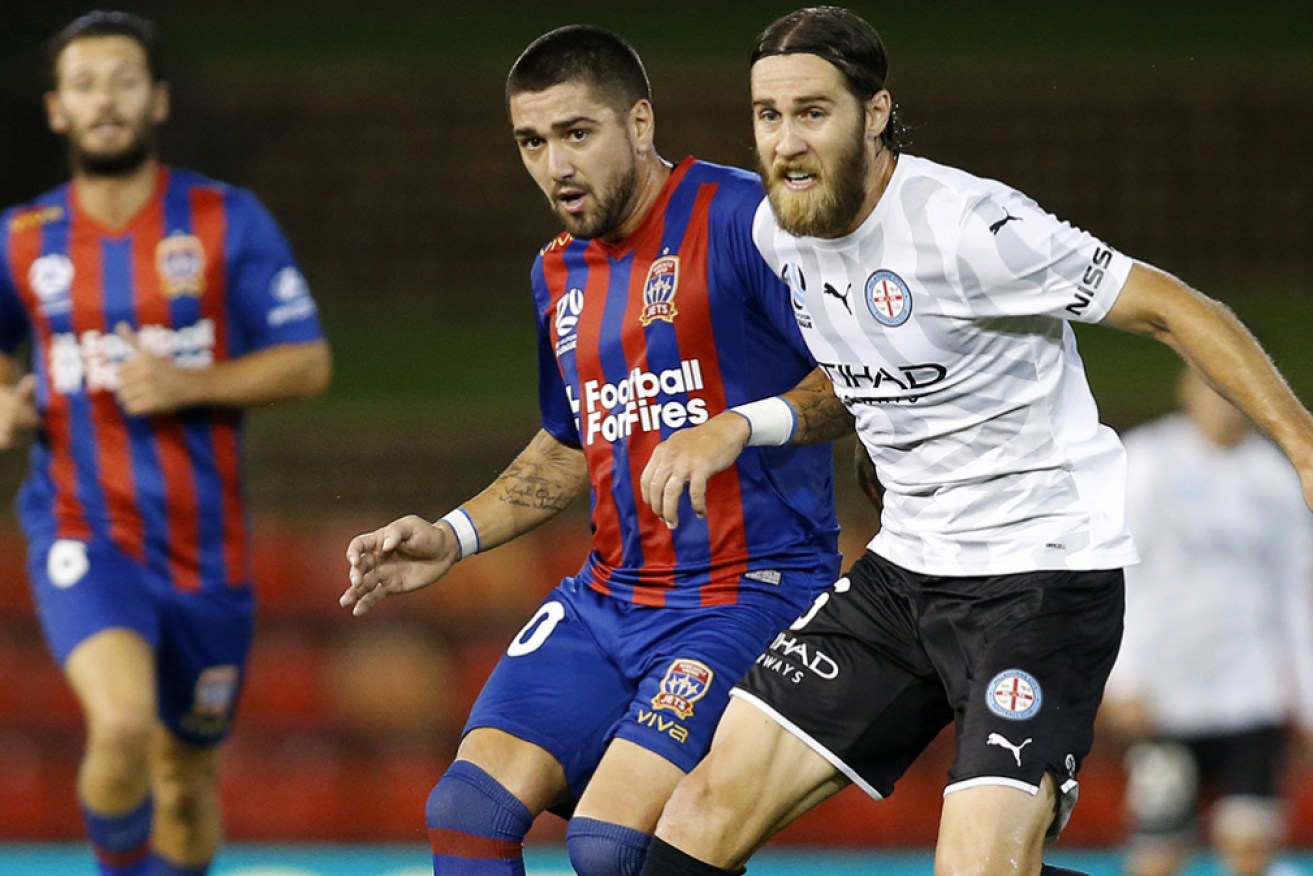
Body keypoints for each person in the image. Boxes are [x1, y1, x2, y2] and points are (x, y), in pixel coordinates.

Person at [634, 7, 1313, 876]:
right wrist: (742, 424)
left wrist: (1298, 443)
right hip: (905, 574)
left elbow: (1177, 310)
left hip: (1038, 582)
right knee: (694, 819)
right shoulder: (783, 232)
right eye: (768, 115)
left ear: (874, 113)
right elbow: (865, 373)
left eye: (812, 112)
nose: (786, 141)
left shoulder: (969, 228)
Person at [339, 24, 845, 876]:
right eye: (531, 143)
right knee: (465, 810)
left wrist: (737, 425)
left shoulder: (742, 219)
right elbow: (579, 437)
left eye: (577, 134)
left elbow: (859, 379)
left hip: (746, 594)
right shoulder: (556, 272)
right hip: (608, 598)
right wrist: (451, 536)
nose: (554, 166)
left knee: (610, 847)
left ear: (639, 124)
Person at [0, 12, 332, 876]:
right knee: (119, 728)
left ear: (157, 101)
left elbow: (307, 362)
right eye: (84, 83)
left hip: (206, 555)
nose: (103, 98)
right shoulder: (23, 239)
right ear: (56, 110)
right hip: (83, 529)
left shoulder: (226, 221)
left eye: (121, 80)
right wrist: (4, 397)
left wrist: (190, 384)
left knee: (185, 779)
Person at [1100, 367, 1313, 876]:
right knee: (1157, 856)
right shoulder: (1146, 462)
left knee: (1249, 851)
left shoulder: (1276, 480)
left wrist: (1307, 704)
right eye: (1212, 386)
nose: (1225, 402)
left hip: (1249, 698)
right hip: (1164, 701)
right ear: (1186, 388)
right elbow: (1115, 573)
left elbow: (1295, 594)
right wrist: (1120, 677)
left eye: (1236, 390)